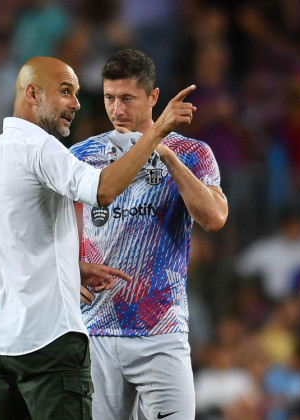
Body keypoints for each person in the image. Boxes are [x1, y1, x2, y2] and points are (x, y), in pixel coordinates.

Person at [0, 56, 197, 419]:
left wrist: (69, 269)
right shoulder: (40, 149)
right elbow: (102, 189)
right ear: (32, 93)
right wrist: (156, 133)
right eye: (64, 91)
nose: (76, 103)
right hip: (48, 344)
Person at [70, 49, 228, 420]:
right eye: (110, 98)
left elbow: (215, 218)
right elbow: (57, 231)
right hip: (96, 329)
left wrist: (164, 150)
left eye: (127, 99)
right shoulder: (83, 155)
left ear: (153, 97)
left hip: (161, 331)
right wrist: (70, 268)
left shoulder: (192, 153)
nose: (117, 109)